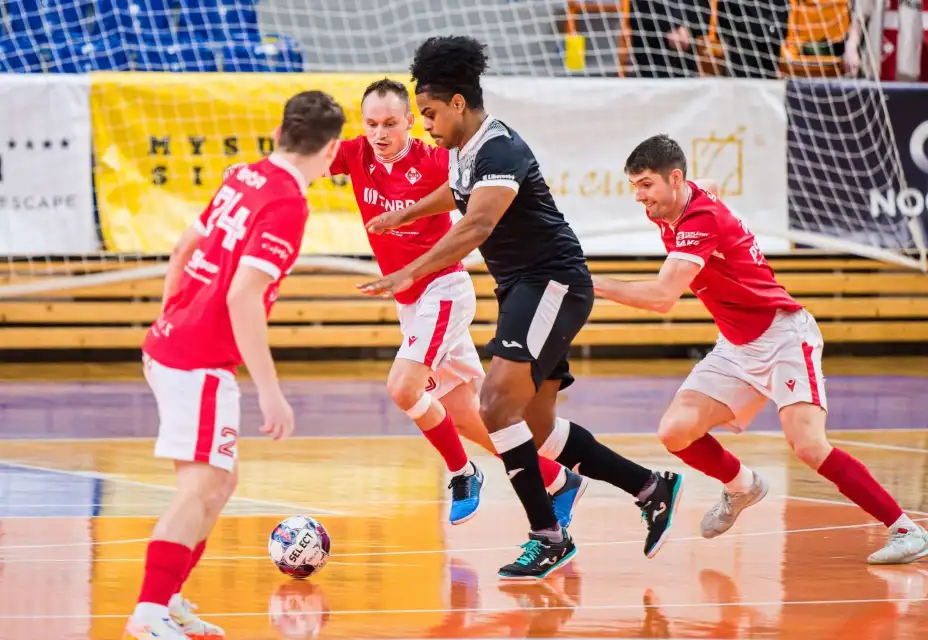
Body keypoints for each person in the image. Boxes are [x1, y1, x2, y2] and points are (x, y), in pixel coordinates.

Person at [358, 36, 684, 580]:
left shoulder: (499, 147)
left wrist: (411, 270)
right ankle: (651, 487)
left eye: (431, 113)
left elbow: (478, 222)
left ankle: (547, 535)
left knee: (494, 405)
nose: (428, 125)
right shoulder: (465, 152)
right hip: (523, 288)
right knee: (537, 428)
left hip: (550, 281)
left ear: (458, 103)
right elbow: (458, 192)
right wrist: (404, 215)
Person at [594, 133, 928, 565]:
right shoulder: (680, 200)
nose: (639, 197)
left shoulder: (699, 221)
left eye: (645, 184)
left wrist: (589, 282)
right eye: (634, 186)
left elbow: (662, 297)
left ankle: (906, 529)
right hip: (735, 344)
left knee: (807, 445)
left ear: (674, 179)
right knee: (675, 431)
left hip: (783, 336)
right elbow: (710, 184)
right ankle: (742, 486)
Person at [124, 91, 346, 640]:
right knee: (201, 487)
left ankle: (169, 599)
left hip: (177, 342)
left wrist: (168, 320)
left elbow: (182, 250)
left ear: (278, 134)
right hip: (197, 357)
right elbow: (243, 296)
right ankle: (148, 613)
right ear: (331, 150)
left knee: (221, 482)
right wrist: (271, 392)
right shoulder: (288, 204)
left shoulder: (242, 174)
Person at [323, 78, 588, 527]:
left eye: (391, 122)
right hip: (410, 301)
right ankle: (559, 481)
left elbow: (478, 200)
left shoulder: (437, 160)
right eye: (372, 124)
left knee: (403, 388)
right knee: (470, 419)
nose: (381, 133)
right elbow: (302, 162)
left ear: (410, 121)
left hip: (442, 289)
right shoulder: (356, 155)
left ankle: (462, 472)